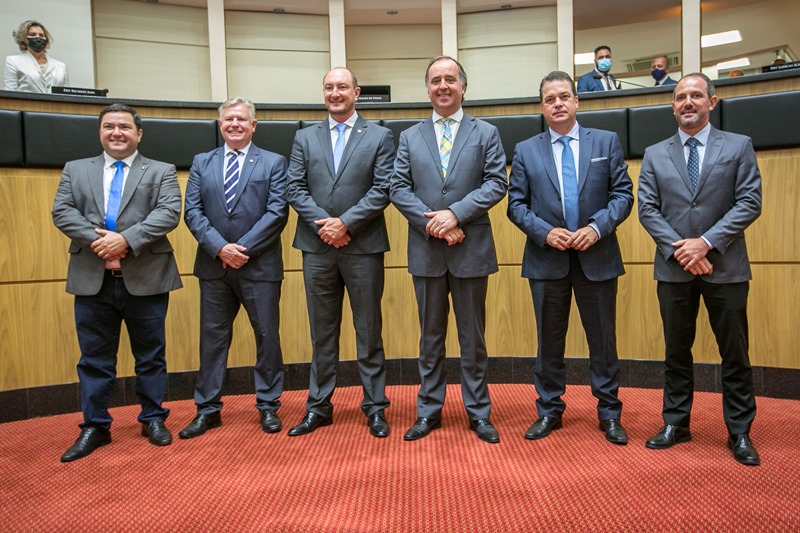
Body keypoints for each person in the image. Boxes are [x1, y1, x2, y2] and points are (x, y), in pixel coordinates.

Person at [638, 73, 762, 466]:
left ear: (712, 101)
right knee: (676, 351)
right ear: (672, 106)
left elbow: (749, 202)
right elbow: (648, 209)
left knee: (735, 352)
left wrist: (704, 243)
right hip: (674, 269)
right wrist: (683, 251)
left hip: (725, 266)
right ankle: (676, 423)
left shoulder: (738, 146)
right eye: (680, 97)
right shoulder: (656, 153)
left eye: (695, 95)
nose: (687, 102)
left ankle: (739, 430)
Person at [507, 71, 633, 444]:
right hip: (547, 259)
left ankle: (609, 413)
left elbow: (623, 196)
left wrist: (596, 228)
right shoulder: (526, 150)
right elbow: (515, 205)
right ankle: (549, 410)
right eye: (550, 99)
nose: (558, 103)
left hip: (598, 257)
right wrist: (544, 232)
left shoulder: (606, 142)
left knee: (603, 342)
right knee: (549, 341)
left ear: (577, 101)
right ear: (542, 107)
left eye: (564, 96)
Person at [52, 103, 182, 462]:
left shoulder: (161, 171)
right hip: (93, 279)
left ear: (138, 134)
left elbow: (169, 212)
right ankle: (95, 426)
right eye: (109, 126)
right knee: (94, 359)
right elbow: (62, 211)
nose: (116, 132)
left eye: (125, 127)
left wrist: (124, 240)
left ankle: (153, 418)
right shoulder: (75, 170)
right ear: (100, 132)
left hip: (146, 279)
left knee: (151, 356)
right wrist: (100, 242)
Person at [390, 56, 507, 444]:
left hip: (471, 249)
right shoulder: (409, 137)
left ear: (463, 87)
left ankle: (478, 413)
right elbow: (397, 188)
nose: (443, 86)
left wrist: (454, 215)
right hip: (427, 251)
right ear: (427, 89)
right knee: (430, 339)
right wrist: (434, 224)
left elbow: (495, 184)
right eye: (436, 80)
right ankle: (429, 411)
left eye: (450, 80)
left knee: (473, 339)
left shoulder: (486, 132)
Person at [285, 68, 395, 438]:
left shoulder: (380, 135)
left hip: (362, 247)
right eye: (329, 87)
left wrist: (345, 223)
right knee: (322, 333)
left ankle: (375, 407)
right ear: (324, 93)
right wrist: (327, 225)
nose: (335, 93)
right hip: (316, 248)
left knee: (368, 331)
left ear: (356, 92)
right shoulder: (304, 137)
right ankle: (319, 407)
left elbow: (383, 189)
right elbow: (294, 188)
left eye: (342, 87)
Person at [180, 97, 289, 439]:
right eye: (229, 119)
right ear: (220, 124)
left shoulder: (273, 163)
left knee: (267, 338)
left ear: (253, 125)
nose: (235, 124)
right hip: (215, 268)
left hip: (260, 267)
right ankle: (208, 409)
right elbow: (193, 212)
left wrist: (242, 249)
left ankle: (268, 405)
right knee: (212, 341)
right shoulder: (202, 162)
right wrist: (220, 249)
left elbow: (277, 213)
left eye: (242, 119)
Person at [4, 20, 69, 92]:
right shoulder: (13, 62)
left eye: (41, 35)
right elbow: (10, 93)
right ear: (24, 39)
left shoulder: (61, 66)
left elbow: (67, 95)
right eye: (32, 34)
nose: (38, 38)